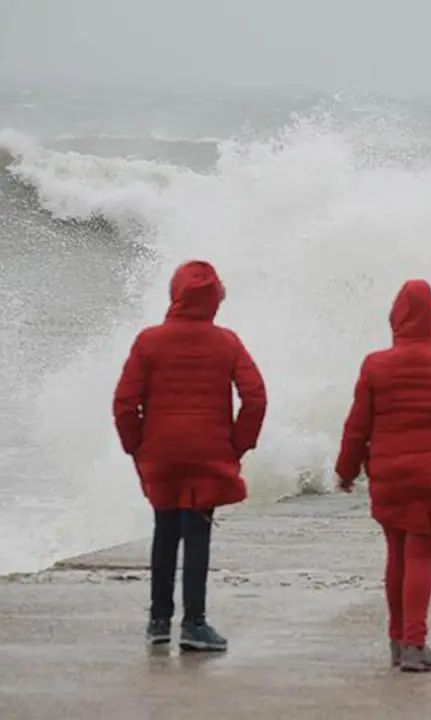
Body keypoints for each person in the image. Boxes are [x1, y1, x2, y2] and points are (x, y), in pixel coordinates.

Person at [112, 260, 267, 653]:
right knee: (197, 533)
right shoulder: (227, 342)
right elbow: (255, 397)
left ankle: (158, 620)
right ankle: (194, 623)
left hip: (160, 453)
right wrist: (238, 443)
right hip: (208, 453)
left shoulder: (149, 341)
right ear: (215, 299)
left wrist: (137, 445)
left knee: (164, 530)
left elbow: (125, 403)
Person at [334, 278, 431, 674]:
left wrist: (346, 471)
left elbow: (357, 427)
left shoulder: (376, 365)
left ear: (395, 318)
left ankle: (399, 641)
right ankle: (415, 643)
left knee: (397, 553)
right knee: (420, 554)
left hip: (390, 476)